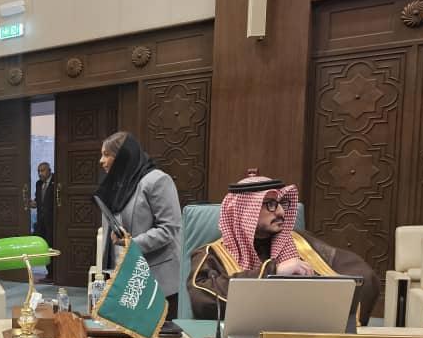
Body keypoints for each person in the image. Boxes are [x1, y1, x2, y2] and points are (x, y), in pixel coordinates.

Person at [188, 171, 380, 323]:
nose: (281, 212)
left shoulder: (302, 243)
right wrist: (273, 272)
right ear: (245, 210)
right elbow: (201, 297)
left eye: (281, 203)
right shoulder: (212, 254)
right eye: (271, 204)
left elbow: (364, 277)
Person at [96, 131, 183, 319]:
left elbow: (169, 229)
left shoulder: (157, 180)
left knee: (159, 335)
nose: (101, 161)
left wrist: (132, 243)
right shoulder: (116, 185)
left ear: (123, 156)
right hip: (127, 278)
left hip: (157, 280)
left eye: (107, 154)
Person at [31, 161, 56, 279]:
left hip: (53, 222)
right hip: (41, 222)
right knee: (44, 246)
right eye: (38, 171)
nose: (40, 173)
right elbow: (38, 201)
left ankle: (53, 274)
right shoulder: (38, 184)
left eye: (42, 170)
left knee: (52, 245)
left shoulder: (56, 180)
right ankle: (48, 272)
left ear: (49, 170)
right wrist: (30, 203)